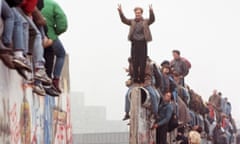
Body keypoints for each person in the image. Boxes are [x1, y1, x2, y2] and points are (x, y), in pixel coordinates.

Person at [118, 4, 155, 83]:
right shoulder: (132, 21)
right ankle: (135, 78)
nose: (137, 14)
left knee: (142, 61)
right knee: (134, 61)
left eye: (139, 13)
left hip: (143, 43)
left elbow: (152, 19)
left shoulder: (145, 21)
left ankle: (141, 78)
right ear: (135, 13)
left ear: (141, 13)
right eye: (136, 13)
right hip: (134, 43)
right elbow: (124, 20)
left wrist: (151, 11)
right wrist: (120, 12)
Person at [41, 0, 67, 93]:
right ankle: (55, 80)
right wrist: (55, 33)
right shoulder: (53, 5)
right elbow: (63, 25)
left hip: (34, 33)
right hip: (49, 35)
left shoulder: (35, 3)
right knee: (61, 54)